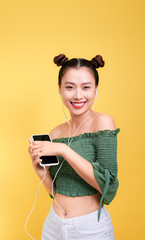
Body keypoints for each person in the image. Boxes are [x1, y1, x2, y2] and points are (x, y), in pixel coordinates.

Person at [28, 54, 120, 240]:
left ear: (95, 89)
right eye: (69, 87)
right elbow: (56, 192)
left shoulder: (102, 122)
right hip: (54, 225)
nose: (78, 95)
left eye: (86, 87)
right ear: (60, 90)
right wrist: (41, 172)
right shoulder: (55, 133)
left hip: (90, 228)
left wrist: (64, 150)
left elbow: (108, 186)